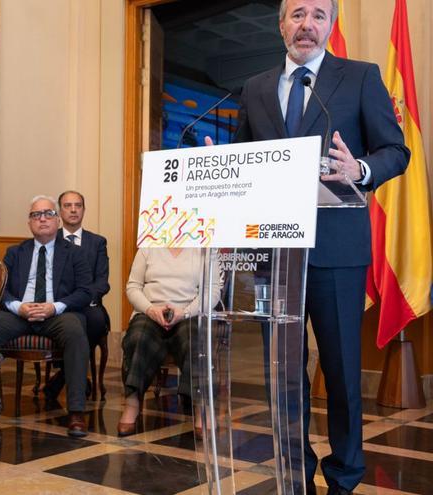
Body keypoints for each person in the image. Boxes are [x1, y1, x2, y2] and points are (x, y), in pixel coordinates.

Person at [224, 1, 410, 492]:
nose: (307, 24)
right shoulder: (255, 88)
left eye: (318, 15)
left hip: (337, 252)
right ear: (280, 24)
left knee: (342, 373)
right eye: (297, 14)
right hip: (273, 254)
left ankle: (344, 478)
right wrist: (222, 172)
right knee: (282, 374)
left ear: (330, 25)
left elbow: (396, 150)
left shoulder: (361, 77)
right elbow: (245, 158)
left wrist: (360, 169)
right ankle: (295, 474)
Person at [0, 195, 92, 437]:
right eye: (36, 215)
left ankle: (76, 411)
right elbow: (0, 288)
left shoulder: (75, 253)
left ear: (58, 220)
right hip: (20, 314)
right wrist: (18, 307)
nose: (42, 219)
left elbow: (85, 291)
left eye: (48, 214)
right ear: (29, 223)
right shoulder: (15, 252)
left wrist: (54, 307)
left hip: (57, 314)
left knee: (76, 331)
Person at [119, 248, 221, 437]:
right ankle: (132, 404)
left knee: (196, 340)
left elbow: (213, 291)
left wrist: (186, 312)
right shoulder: (148, 245)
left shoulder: (205, 249)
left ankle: (202, 406)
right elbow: (133, 287)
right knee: (137, 338)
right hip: (150, 312)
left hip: (188, 313)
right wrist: (150, 310)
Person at [42, 191, 111, 400]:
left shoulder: (97, 242)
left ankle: (63, 375)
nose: (73, 210)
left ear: (84, 209)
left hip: (89, 305)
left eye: (78, 205)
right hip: (58, 305)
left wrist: (84, 298)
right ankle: (77, 376)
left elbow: (102, 281)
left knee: (97, 320)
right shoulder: (48, 239)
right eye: (67, 205)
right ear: (59, 211)